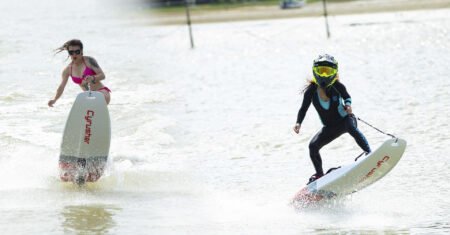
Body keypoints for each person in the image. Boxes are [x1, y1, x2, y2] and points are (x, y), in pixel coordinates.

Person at [293, 54, 371, 184]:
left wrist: (348, 105)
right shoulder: (311, 91)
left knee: (351, 128)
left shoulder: (337, 86)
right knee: (313, 146)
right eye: (320, 71)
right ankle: (319, 175)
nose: (323, 75)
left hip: (345, 120)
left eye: (327, 71)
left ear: (334, 72)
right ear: (315, 71)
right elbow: (303, 108)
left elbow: (347, 97)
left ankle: (369, 153)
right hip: (329, 128)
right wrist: (298, 123)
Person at [48, 39, 111, 107]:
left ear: (81, 52)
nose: (74, 54)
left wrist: (92, 78)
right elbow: (61, 87)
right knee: (79, 105)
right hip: (88, 97)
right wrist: (55, 99)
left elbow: (102, 76)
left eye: (77, 52)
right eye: (71, 52)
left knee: (96, 99)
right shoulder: (68, 70)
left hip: (102, 93)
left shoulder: (89, 61)